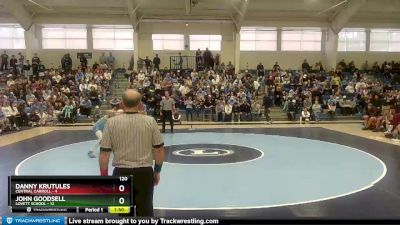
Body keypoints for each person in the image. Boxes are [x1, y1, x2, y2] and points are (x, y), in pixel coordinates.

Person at [99, 89, 165, 217]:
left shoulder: (111, 123)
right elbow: (159, 150)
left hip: (120, 173)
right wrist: (157, 171)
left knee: (124, 214)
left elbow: (104, 154)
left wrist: (104, 177)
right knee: (145, 212)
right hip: (144, 174)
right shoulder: (150, 121)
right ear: (141, 105)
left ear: (121, 104)